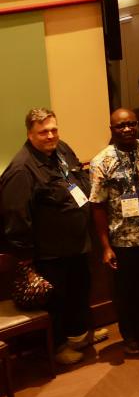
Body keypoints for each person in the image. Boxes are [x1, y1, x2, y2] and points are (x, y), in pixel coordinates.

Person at [0, 109, 99, 365]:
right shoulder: (21, 170)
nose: (50, 135)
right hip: (50, 253)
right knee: (56, 301)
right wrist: (27, 259)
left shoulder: (61, 150)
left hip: (77, 244)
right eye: (43, 132)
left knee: (79, 291)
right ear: (30, 134)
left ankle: (79, 336)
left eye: (54, 129)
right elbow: (16, 218)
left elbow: (78, 180)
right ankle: (58, 348)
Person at [91, 108, 139, 355]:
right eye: (120, 126)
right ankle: (129, 334)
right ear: (112, 129)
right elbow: (98, 205)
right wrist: (105, 246)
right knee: (125, 292)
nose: (127, 129)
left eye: (131, 124)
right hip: (122, 239)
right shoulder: (102, 160)